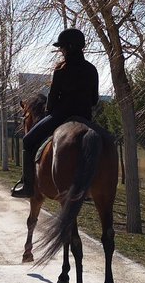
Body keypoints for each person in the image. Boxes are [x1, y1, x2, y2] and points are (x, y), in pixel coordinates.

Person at [11, 28, 99, 199]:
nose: (61, 51)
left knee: (28, 140)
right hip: (85, 118)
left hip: (61, 116)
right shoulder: (91, 69)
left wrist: (50, 110)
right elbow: (94, 99)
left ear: (69, 47)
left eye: (62, 48)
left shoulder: (61, 69)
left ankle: (28, 185)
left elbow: (51, 100)